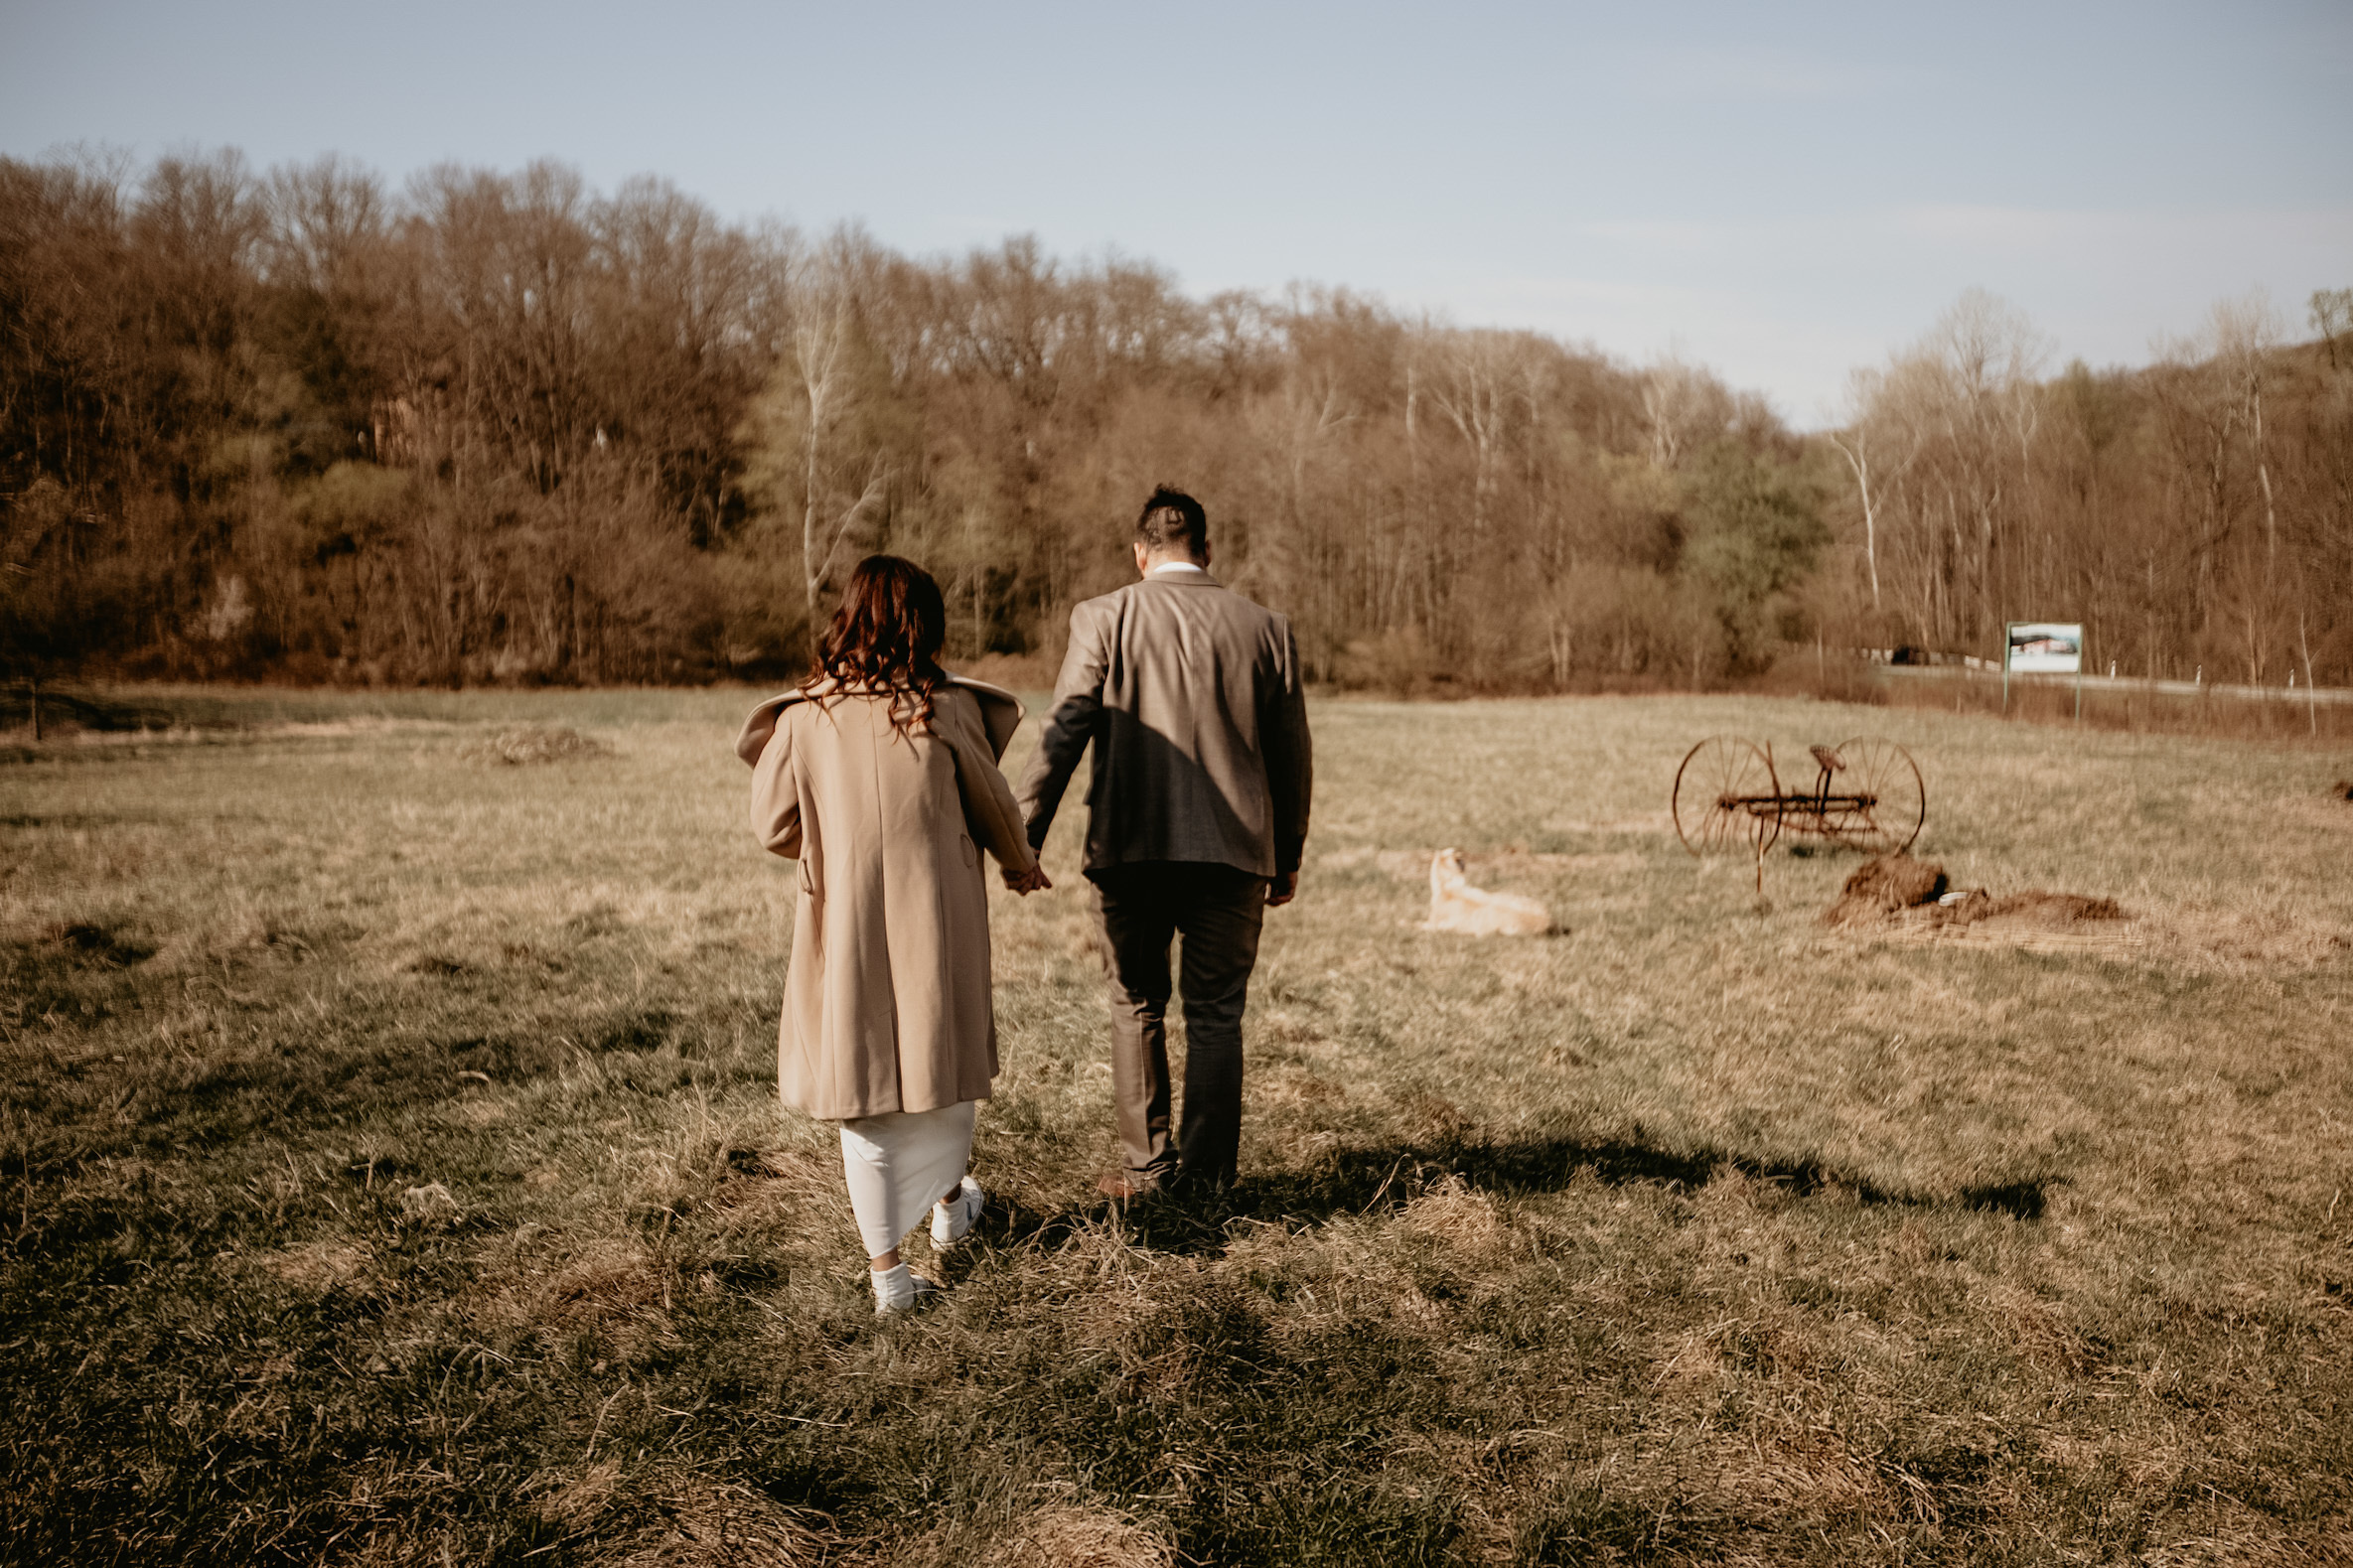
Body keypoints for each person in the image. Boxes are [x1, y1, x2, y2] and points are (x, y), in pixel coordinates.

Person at [735, 555, 1050, 1313]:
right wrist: (1019, 863)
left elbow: (770, 823)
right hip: (935, 920)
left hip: (841, 919)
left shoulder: (806, 715)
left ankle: (891, 1276)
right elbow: (994, 803)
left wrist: (829, 844)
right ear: (925, 623)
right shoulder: (943, 707)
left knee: (867, 1086)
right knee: (941, 1063)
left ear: (847, 616)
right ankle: (949, 1207)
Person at [1016, 487, 1312, 1198]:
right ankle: (1207, 1181)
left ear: (1139, 553)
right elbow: (1291, 756)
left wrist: (1022, 834)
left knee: (1136, 1003)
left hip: (1129, 847)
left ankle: (1147, 1171)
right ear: (1206, 550)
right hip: (1236, 850)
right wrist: (1287, 854)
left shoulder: (1102, 616)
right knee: (1215, 1013)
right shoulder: (1265, 627)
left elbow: (1063, 730)